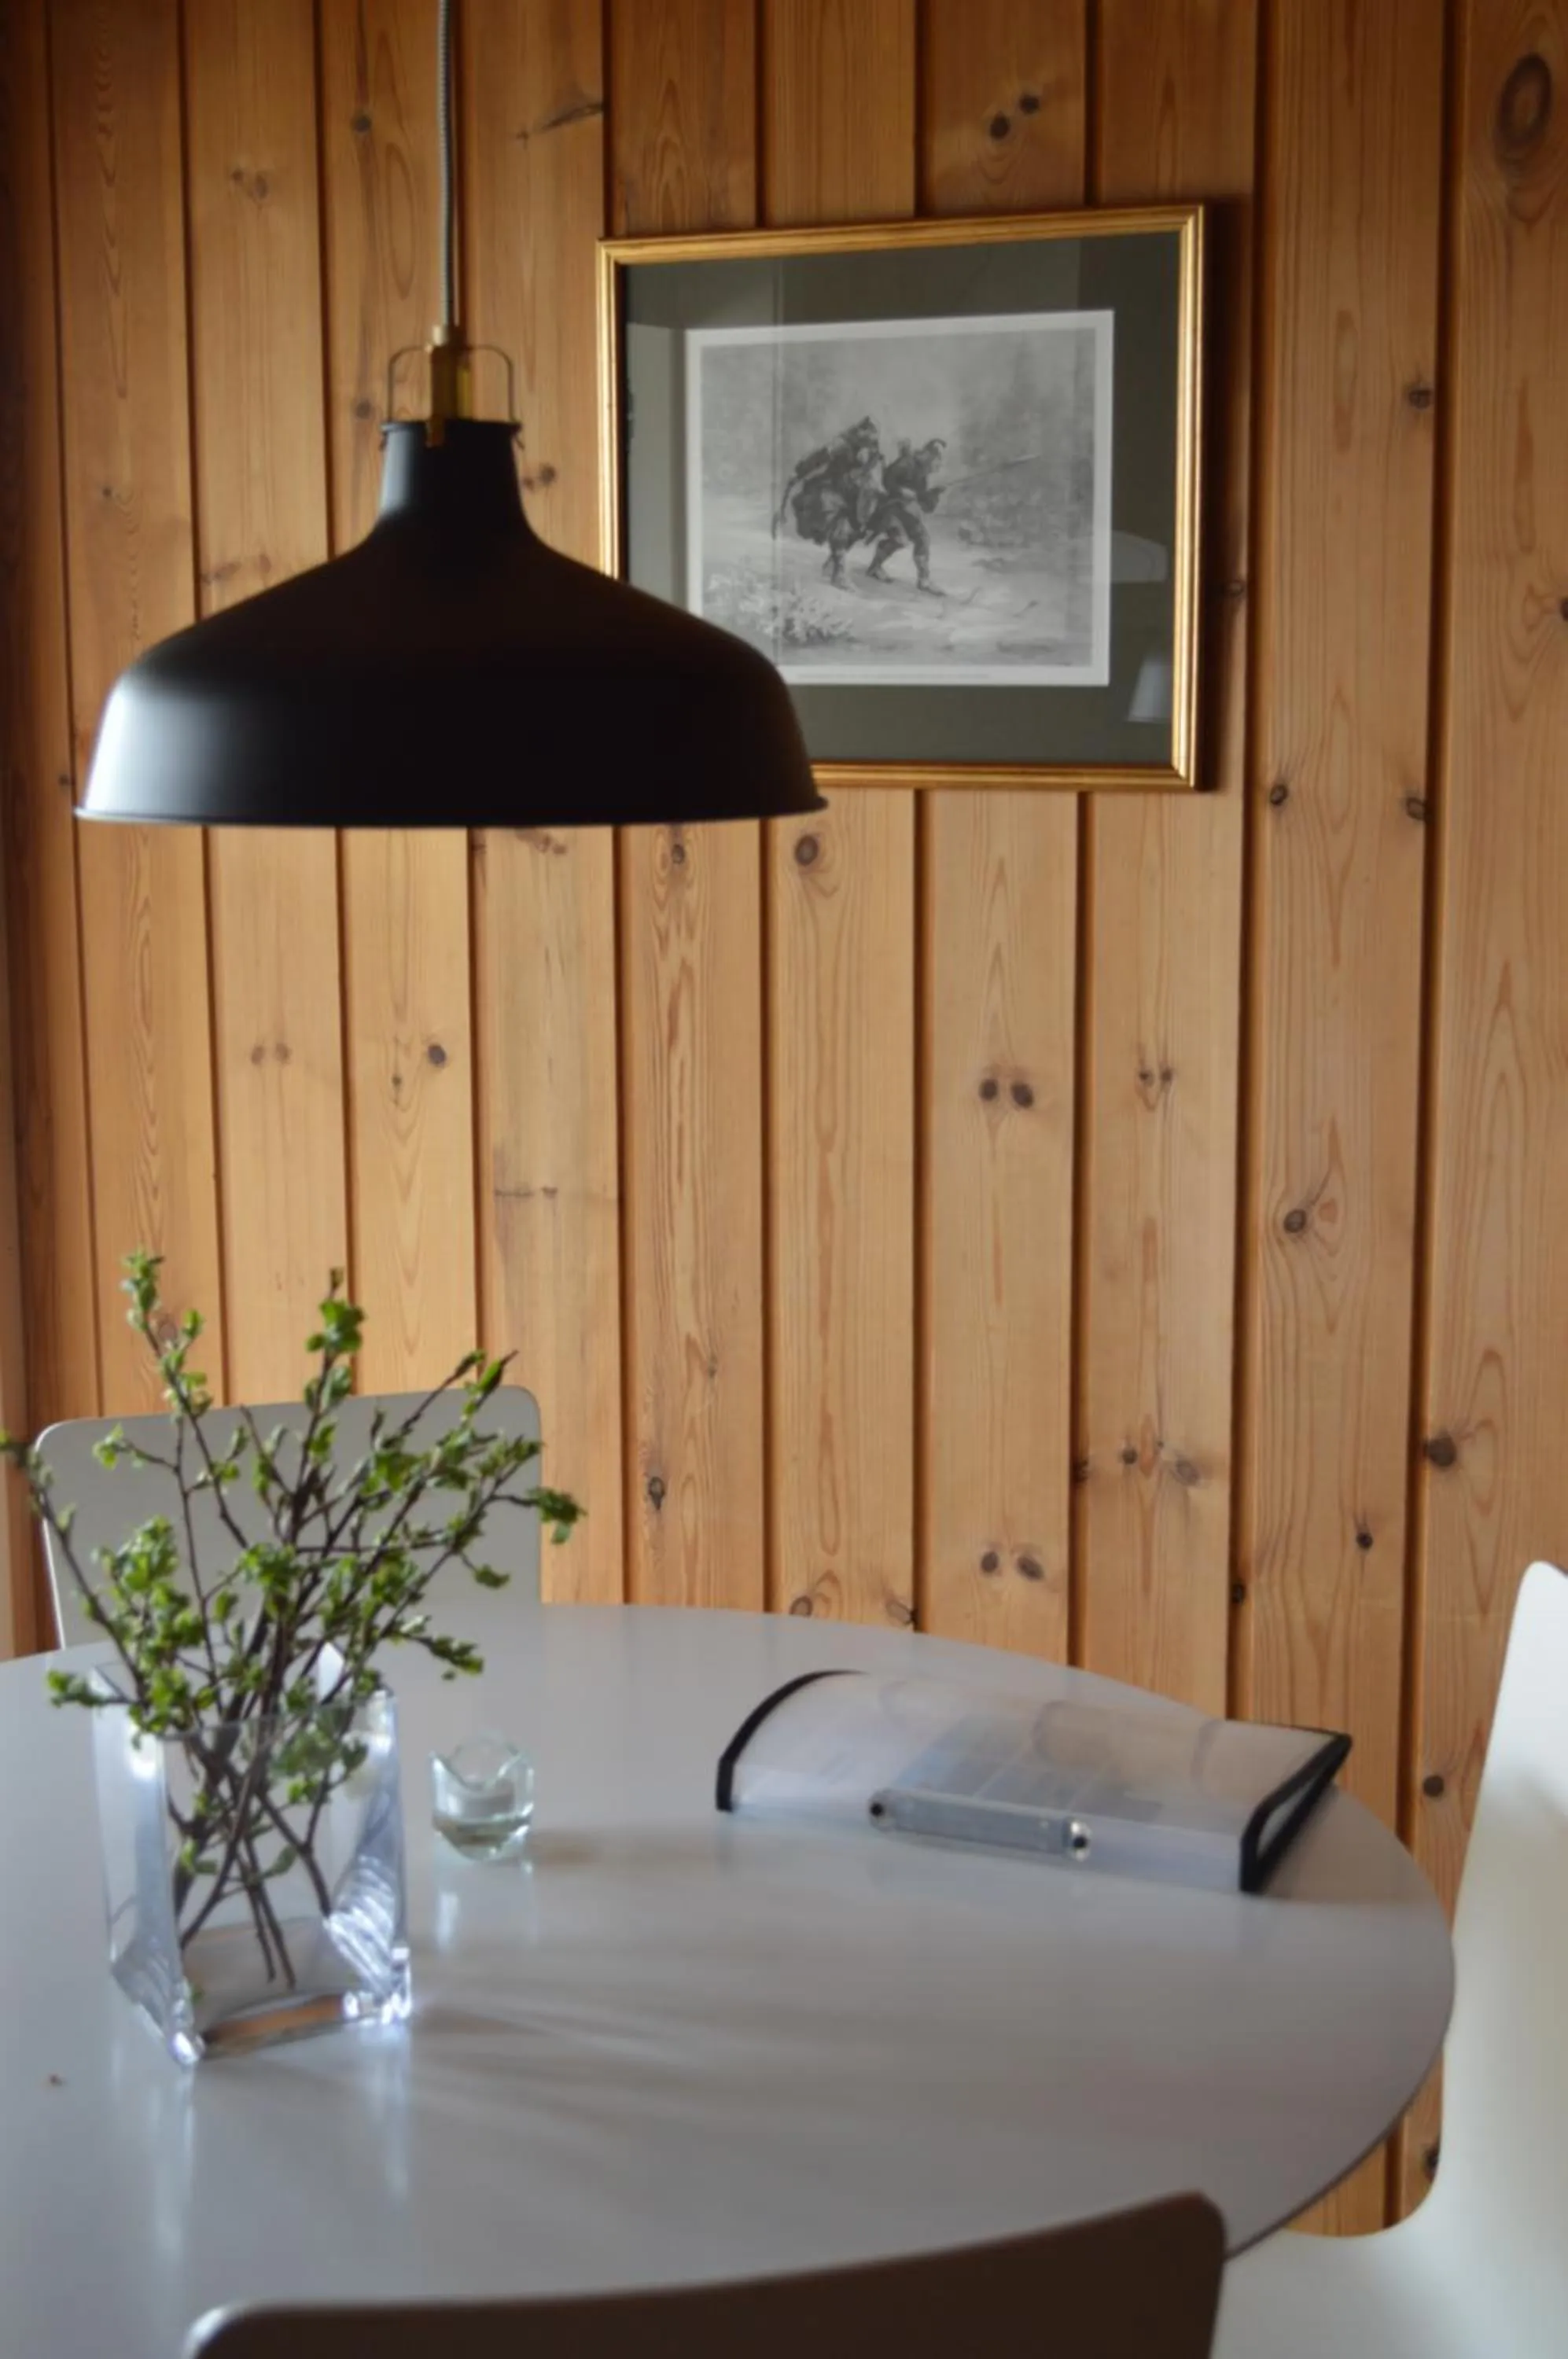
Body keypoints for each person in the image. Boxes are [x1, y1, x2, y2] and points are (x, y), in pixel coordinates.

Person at [774, 418, 884, 586]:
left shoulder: (873, 451)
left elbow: (872, 469)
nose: (869, 442)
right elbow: (819, 457)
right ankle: (838, 574)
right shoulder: (841, 444)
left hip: (853, 493)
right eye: (867, 437)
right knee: (840, 525)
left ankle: (832, 563)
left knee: (855, 530)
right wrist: (799, 472)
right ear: (860, 434)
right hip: (831, 489)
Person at [864, 436, 947, 593]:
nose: (937, 464)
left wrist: (933, 495)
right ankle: (874, 567)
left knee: (922, 539)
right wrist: (901, 491)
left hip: (905, 512)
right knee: (900, 540)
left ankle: (924, 580)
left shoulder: (922, 475)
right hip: (890, 509)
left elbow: (923, 503)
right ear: (927, 455)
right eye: (936, 458)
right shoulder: (906, 463)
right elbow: (888, 480)